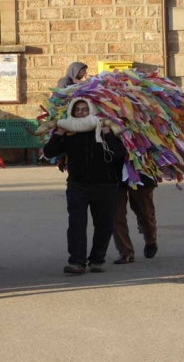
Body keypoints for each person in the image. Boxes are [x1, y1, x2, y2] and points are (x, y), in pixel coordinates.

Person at [43, 99, 126, 274]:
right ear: (72, 113)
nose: (81, 113)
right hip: (77, 185)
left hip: (105, 185)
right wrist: (59, 133)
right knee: (76, 224)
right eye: (77, 110)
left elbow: (119, 154)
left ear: (92, 111)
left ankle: (97, 259)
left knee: (104, 224)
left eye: (84, 109)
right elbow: (49, 152)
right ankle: (77, 262)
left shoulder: (105, 131)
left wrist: (107, 133)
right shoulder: (69, 134)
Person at [112, 176, 159, 264]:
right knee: (116, 213)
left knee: (145, 211)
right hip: (113, 169)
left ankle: (151, 239)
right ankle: (125, 251)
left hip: (138, 168)